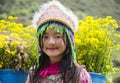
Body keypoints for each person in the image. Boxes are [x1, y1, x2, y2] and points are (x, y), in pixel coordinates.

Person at [26, 0, 92, 83]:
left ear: (69, 41)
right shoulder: (34, 74)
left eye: (57, 36)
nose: (51, 42)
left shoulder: (78, 75)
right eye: (45, 37)